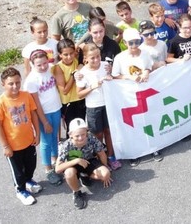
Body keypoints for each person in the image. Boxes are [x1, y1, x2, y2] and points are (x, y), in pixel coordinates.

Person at [111, 28, 163, 164]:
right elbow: (115, 75)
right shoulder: (120, 58)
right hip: (128, 96)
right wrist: (128, 77)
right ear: (124, 42)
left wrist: (146, 71)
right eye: (131, 43)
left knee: (149, 120)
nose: (134, 46)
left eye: (136, 42)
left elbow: (149, 66)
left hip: (145, 93)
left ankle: (154, 148)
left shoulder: (145, 53)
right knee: (133, 124)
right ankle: (135, 152)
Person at [0, 67, 41, 205]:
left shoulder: (26, 95)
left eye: (18, 82)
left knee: (31, 165)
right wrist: (5, 146)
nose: (15, 86)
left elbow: (33, 115)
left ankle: (28, 180)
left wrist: (37, 134)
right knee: (18, 171)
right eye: (11, 83)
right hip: (13, 146)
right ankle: (20, 190)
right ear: (3, 84)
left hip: (29, 141)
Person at [75, 44, 121, 170]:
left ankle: (111, 156)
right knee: (97, 135)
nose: (96, 60)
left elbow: (114, 77)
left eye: (97, 56)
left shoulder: (105, 66)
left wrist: (110, 75)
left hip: (107, 104)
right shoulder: (83, 73)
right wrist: (92, 87)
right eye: (92, 58)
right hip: (93, 107)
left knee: (109, 131)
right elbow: (79, 94)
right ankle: (101, 160)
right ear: (85, 58)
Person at [23, 50, 64, 186]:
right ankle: (48, 169)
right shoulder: (31, 80)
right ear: (32, 64)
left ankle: (55, 160)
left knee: (55, 138)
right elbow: (36, 104)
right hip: (44, 114)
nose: (43, 67)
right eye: (39, 65)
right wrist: (44, 121)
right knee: (46, 141)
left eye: (45, 63)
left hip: (56, 109)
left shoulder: (51, 69)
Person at [55, 118, 112, 210]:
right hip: (74, 166)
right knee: (68, 173)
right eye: (77, 136)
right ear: (70, 135)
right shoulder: (66, 145)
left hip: (89, 161)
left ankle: (85, 175)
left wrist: (105, 167)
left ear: (87, 132)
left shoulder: (91, 138)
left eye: (83, 134)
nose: (81, 138)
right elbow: (57, 169)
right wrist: (77, 160)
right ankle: (77, 192)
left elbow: (101, 153)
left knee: (106, 174)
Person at [52, 39, 85, 136]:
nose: (69, 57)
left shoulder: (78, 61)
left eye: (71, 53)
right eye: (65, 54)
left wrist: (81, 45)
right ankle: (71, 151)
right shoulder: (58, 67)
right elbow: (64, 90)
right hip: (68, 103)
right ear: (60, 54)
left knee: (82, 128)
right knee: (71, 130)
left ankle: (83, 150)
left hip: (80, 99)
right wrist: (73, 75)